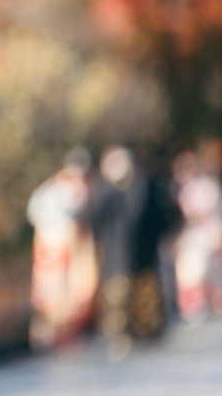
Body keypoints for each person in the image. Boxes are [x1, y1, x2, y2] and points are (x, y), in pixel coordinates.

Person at [89, 145, 171, 357]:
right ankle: (119, 334)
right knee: (118, 297)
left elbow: (157, 216)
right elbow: (96, 219)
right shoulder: (104, 190)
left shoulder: (144, 185)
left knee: (147, 296)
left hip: (144, 253)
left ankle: (149, 331)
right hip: (117, 254)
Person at [25, 147, 98, 352]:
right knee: (60, 292)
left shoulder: (48, 187)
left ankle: (55, 335)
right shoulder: (70, 189)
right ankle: (57, 335)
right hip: (61, 246)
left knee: (55, 292)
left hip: (49, 246)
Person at [172, 140, 222, 323]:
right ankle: (196, 307)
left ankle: (218, 302)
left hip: (211, 235)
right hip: (196, 237)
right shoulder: (186, 189)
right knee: (193, 273)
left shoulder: (209, 186)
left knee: (216, 271)